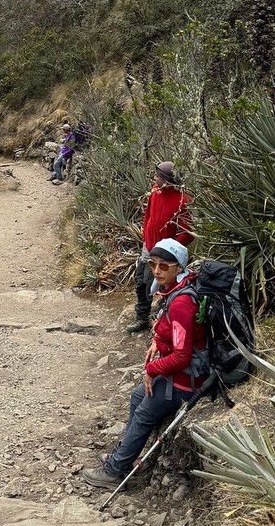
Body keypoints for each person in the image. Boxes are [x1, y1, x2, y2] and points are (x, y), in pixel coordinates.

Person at [83, 238, 205, 490]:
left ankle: (115, 471)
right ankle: (123, 457)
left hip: (186, 380)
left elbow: (182, 355)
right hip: (183, 373)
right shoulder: (178, 288)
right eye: (153, 264)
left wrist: (151, 369)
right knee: (139, 396)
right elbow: (171, 332)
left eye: (164, 266)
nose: (157, 270)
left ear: (179, 267)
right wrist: (158, 342)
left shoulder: (181, 303)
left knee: (144, 413)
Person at [127, 161, 192, 333]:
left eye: (158, 175)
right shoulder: (155, 193)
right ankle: (142, 318)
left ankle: (163, 323)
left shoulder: (183, 200)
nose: (154, 177)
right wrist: (146, 236)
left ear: (166, 178)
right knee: (142, 281)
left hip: (166, 255)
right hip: (148, 248)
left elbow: (188, 230)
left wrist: (171, 249)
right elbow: (147, 216)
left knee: (160, 285)